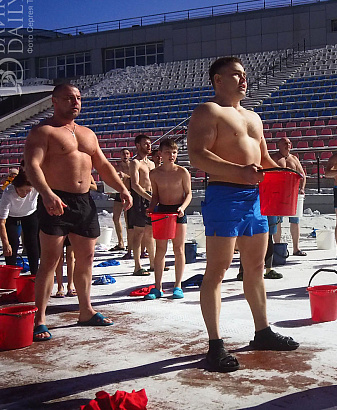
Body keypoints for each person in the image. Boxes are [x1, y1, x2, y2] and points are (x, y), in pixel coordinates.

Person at [187, 56, 299, 373]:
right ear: (218, 80)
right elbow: (197, 155)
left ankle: (262, 331)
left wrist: (286, 174)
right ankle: (215, 345)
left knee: (255, 267)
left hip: (254, 198)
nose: (243, 79)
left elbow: (263, 158)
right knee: (217, 269)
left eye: (245, 74)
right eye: (236, 74)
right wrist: (240, 171)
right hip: (224, 194)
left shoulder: (253, 117)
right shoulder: (209, 111)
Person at [24, 83, 132, 341]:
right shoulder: (43, 131)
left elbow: (103, 165)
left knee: (87, 258)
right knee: (50, 261)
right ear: (54, 101)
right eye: (69, 98)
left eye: (79, 98)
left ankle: (86, 311)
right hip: (56, 200)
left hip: (84, 202)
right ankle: (40, 319)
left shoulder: (87, 133)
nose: (75, 102)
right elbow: (32, 166)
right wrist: (46, 193)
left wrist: (122, 189)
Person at [145, 138, 192, 300]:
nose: (171, 155)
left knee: (179, 249)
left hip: (178, 211)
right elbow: (155, 195)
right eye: (168, 152)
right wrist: (151, 208)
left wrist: (182, 208)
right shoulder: (154, 174)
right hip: (163, 211)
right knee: (161, 250)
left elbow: (189, 194)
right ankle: (157, 287)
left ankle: (178, 285)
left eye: (174, 152)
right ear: (160, 154)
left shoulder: (182, 172)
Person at [0, 171, 40, 275]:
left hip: (30, 214)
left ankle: (34, 274)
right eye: (21, 190)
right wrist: (5, 244)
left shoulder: (36, 188)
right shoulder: (8, 193)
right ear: (15, 187)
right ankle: (10, 274)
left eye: (27, 190)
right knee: (12, 243)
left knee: (32, 243)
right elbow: (1, 221)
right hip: (12, 216)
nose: (24, 193)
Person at [270, 137, 306, 257]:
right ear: (279, 145)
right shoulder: (274, 158)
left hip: (293, 193)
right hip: (278, 194)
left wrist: (302, 188)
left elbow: (302, 175)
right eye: (285, 143)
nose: (288, 145)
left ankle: (296, 248)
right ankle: (278, 246)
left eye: (289, 143)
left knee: (295, 220)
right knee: (277, 221)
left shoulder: (294, 159)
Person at [128, 134, 157, 276]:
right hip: (140, 198)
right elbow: (135, 184)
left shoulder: (151, 164)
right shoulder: (135, 163)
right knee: (138, 232)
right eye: (146, 143)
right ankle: (137, 266)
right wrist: (148, 197)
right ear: (138, 145)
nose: (149, 146)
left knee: (150, 232)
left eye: (150, 143)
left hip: (151, 197)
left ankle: (153, 263)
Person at [110, 148, 131, 252]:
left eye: (127, 154)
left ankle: (130, 243)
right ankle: (120, 242)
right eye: (123, 154)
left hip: (129, 193)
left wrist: (125, 176)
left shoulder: (132, 166)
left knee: (128, 219)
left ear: (130, 155)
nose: (125, 156)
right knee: (116, 217)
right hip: (119, 193)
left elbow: (137, 179)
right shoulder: (117, 167)